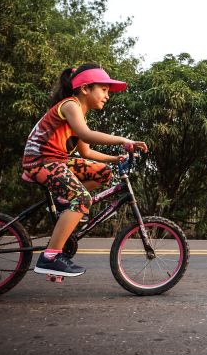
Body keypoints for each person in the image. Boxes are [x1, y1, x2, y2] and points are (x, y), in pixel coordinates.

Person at [22, 63, 148, 277]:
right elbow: (87, 134)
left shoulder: (79, 112)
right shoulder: (70, 105)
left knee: (103, 172)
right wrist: (122, 140)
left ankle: (64, 202)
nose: (107, 96)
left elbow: (86, 151)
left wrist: (115, 159)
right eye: (104, 89)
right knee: (82, 199)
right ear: (85, 88)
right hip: (40, 162)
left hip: (57, 162)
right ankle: (50, 258)